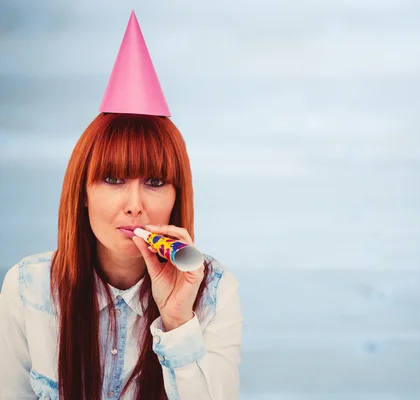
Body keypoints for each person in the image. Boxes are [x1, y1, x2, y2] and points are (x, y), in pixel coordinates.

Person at [0, 11, 242, 400]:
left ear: (178, 196)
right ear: (83, 192)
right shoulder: (29, 288)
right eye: (113, 180)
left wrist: (178, 319)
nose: (134, 205)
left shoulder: (213, 289)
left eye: (155, 182)